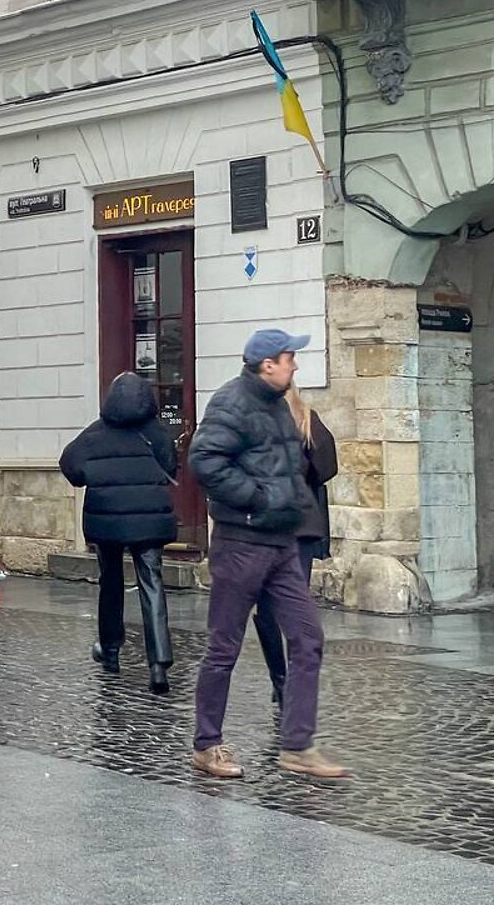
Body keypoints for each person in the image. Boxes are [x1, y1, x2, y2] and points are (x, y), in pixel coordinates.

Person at [187, 330, 346, 780]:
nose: (295, 365)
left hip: (282, 543)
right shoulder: (231, 403)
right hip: (242, 543)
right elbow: (205, 461)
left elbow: (293, 465)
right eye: (289, 357)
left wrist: (291, 503)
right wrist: (257, 498)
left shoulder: (279, 403)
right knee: (224, 646)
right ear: (266, 364)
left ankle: (297, 746)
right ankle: (207, 744)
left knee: (307, 637)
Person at [58, 372, 179, 695]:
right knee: (152, 584)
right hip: (150, 520)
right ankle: (158, 664)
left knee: (110, 582)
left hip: (107, 520)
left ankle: (110, 651)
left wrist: (97, 476)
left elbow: (70, 466)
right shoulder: (158, 433)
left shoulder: (95, 434)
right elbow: (171, 467)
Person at [253, 384, 338, 706]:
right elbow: (327, 469)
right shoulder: (306, 419)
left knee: (267, 608)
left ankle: (281, 680)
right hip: (299, 524)